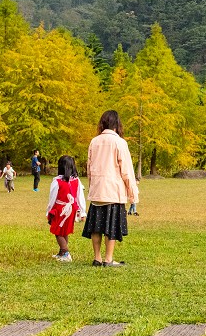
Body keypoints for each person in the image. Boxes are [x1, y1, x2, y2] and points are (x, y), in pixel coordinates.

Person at [84, 109, 139, 268]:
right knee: (111, 226)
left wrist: (92, 186)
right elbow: (127, 171)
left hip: (97, 191)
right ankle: (108, 259)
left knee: (96, 226)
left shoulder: (94, 141)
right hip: (113, 191)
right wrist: (133, 194)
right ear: (117, 124)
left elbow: (89, 167)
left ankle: (97, 258)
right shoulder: (120, 142)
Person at [46, 155, 88, 263]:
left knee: (57, 231)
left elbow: (52, 197)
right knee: (64, 231)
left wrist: (49, 211)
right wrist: (82, 212)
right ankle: (61, 252)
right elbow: (80, 197)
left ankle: (65, 252)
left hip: (60, 209)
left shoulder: (57, 181)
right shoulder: (77, 181)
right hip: (72, 209)